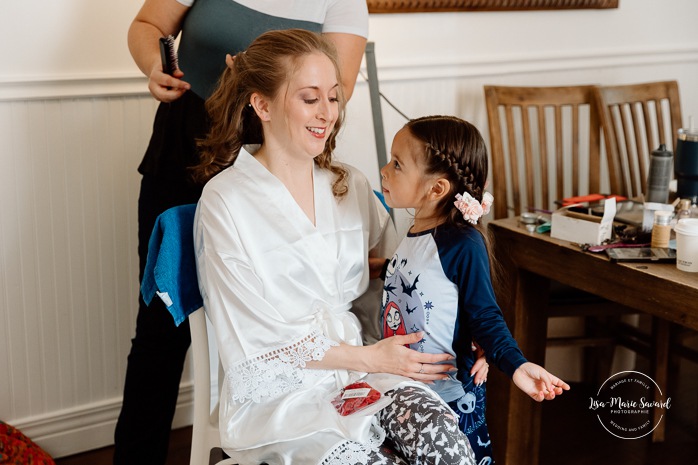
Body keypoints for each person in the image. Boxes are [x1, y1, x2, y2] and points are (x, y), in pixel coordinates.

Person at [193, 29, 480, 465]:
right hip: (283, 393)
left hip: (367, 372)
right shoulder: (226, 201)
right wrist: (369, 356)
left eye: (333, 97)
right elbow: (252, 341)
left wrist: (470, 329)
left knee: (447, 445)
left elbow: (410, 276)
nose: (327, 113)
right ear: (262, 104)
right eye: (310, 98)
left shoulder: (348, 184)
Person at [116, 1, 369, 464]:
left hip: (274, 161)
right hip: (185, 151)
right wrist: (155, 66)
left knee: (277, 310)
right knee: (158, 329)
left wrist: (267, 78)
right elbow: (148, 24)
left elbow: (338, 85)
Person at [377, 115, 571, 464]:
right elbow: (416, 283)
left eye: (397, 164)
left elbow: (484, 316)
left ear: (436, 189)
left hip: (448, 400)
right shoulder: (414, 231)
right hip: (406, 392)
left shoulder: (462, 243)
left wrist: (516, 365)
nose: (384, 170)